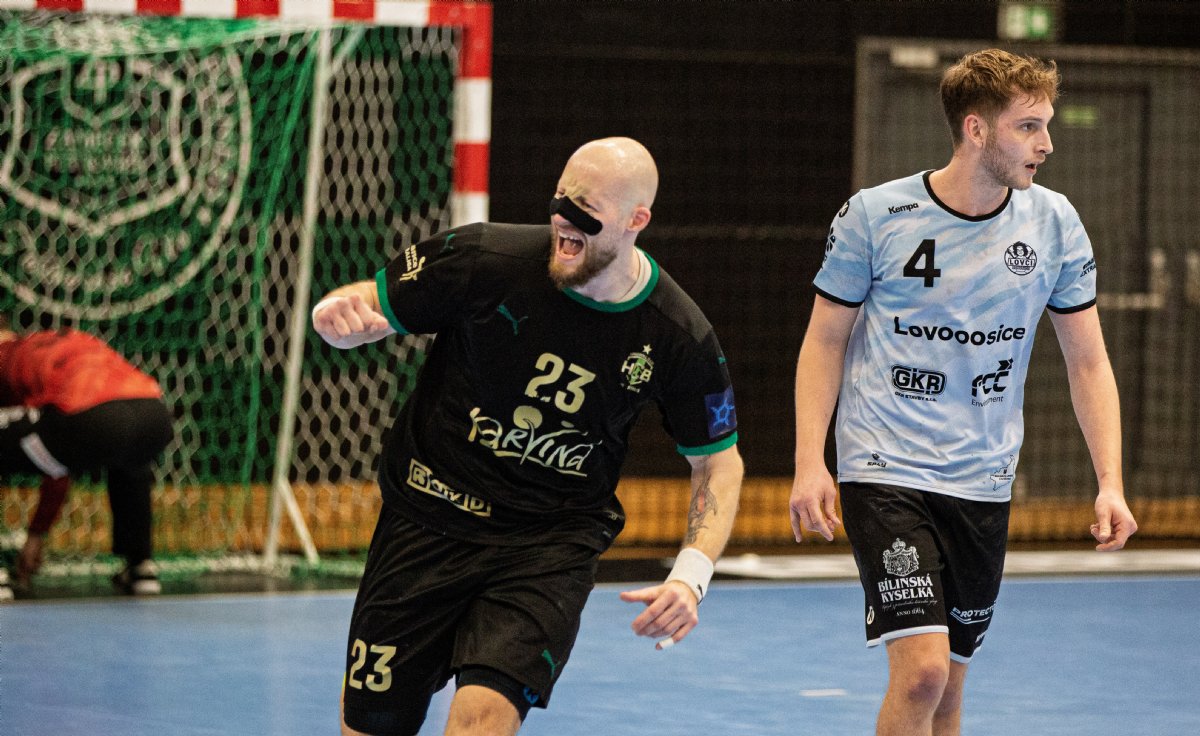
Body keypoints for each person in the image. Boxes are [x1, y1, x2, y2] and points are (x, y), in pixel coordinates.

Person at [313, 137, 744, 736]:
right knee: (372, 725)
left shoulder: (675, 333)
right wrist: (339, 316)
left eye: (586, 208)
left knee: (483, 717)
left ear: (635, 220)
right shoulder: (482, 257)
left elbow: (719, 462)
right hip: (428, 518)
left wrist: (691, 575)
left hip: (547, 544)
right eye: (561, 197)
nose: (563, 217)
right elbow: (370, 300)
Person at [789, 49, 1137, 736]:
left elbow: (1089, 361)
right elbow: (824, 341)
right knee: (922, 672)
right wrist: (809, 462)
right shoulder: (876, 215)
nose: (1047, 143)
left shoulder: (1054, 223)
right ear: (976, 129)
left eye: (1047, 124)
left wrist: (1110, 483)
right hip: (885, 466)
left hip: (983, 476)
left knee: (948, 688)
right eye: (1028, 126)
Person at [0, 321, 173, 597]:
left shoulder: (6, 355)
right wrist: (37, 533)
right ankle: (141, 566)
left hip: (91, 420)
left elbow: (54, 454)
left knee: (106, 433)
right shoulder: (59, 342)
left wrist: (37, 531)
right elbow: (54, 456)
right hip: (154, 416)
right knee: (128, 455)